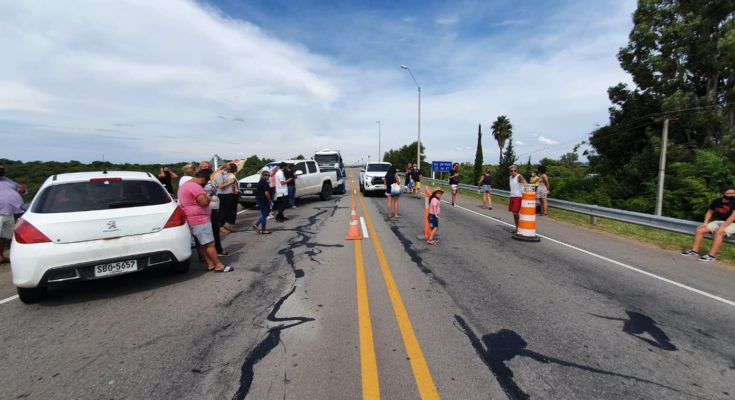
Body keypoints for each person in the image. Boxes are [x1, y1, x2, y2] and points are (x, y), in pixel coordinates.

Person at [177, 169, 233, 272]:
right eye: (206, 182)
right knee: (210, 244)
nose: (205, 184)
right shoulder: (195, 187)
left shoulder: (184, 186)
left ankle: (210, 264)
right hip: (200, 219)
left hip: (192, 218)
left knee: (202, 244)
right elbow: (203, 202)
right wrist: (208, 198)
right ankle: (219, 265)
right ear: (203, 178)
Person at [681, 185, 735, 262]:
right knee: (700, 229)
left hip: (732, 222)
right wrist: (705, 223)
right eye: (729, 193)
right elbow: (709, 212)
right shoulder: (716, 201)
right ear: (722, 194)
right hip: (720, 221)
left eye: (733, 193)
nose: (732, 195)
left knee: (719, 233)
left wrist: (722, 227)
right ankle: (694, 251)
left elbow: (733, 216)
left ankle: (711, 256)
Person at [0, 164, 27, 264]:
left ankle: (1, 256)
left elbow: (21, 190)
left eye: (2, 169)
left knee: (4, 236)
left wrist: (23, 190)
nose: (2, 171)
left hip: (11, 213)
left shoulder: (7, 180)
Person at [214, 164, 238, 232]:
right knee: (223, 211)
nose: (227, 172)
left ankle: (222, 224)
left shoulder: (222, 175)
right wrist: (230, 183)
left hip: (227, 194)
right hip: (224, 195)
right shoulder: (218, 175)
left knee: (226, 211)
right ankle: (220, 226)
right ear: (224, 169)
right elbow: (220, 186)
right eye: (227, 170)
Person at [508, 164, 527, 234]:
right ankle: (517, 228)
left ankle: (519, 227)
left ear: (517, 170)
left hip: (518, 197)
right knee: (514, 213)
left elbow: (525, 182)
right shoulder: (510, 177)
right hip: (512, 196)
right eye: (511, 171)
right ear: (510, 172)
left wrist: (526, 189)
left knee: (515, 213)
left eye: (514, 170)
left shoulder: (519, 176)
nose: (513, 172)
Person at [253, 170, 272, 234]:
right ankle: (263, 229)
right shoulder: (264, 182)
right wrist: (269, 201)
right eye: (266, 175)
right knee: (264, 214)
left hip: (260, 199)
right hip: (263, 200)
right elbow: (266, 193)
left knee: (265, 214)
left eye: (269, 175)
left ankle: (256, 225)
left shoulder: (262, 181)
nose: (268, 176)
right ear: (263, 175)